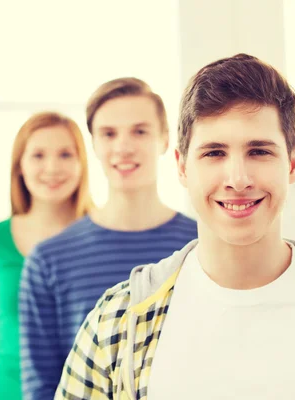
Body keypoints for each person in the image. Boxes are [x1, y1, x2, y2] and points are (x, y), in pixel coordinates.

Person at [56, 54, 295, 399]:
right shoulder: (115, 322)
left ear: (292, 162)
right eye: (214, 153)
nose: (238, 179)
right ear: (182, 167)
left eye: (259, 151)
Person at [20, 78, 199, 399]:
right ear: (94, 145)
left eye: (140, 131)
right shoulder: (48, 260)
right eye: (109, 134)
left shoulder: (203, 244)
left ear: (164, 139)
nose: (123, 146)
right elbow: (41, 387)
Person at [0, 111, 92, 400]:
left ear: (82, 164)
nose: (52, 167)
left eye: (66, 154)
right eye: (38, 155)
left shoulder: (106, 235)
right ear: (19, 166)